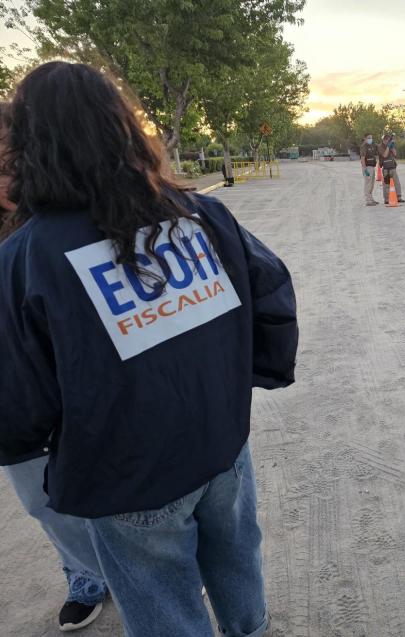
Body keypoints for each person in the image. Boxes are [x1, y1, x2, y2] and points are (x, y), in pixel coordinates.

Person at [0, 62, 298, 637]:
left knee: (165, 607)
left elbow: (19, 402)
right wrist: (241, 380)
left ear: (30, 146)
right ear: (121, 127)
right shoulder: (199, 213)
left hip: (127, 479)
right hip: (222, 445)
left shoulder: (26, 259)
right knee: (238, 561)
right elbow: (272, 297)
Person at [0, 100, 109, 632]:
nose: (4, 176)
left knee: (116, 484)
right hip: (11, 392)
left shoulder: (65, 215)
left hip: (76, 375)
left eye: (8, 162)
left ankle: (151, 560)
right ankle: (86, 571)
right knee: (40, 497)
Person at [378, 133, 405, 205]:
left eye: (388, 139)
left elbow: (395, 154)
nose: (387, 140)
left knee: (397, 183)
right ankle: (386, 199)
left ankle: (399, 197)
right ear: (383, 140)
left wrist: (392, 147)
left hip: (392, 167)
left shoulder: (390, 145)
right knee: (386, 184)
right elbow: (385, 155)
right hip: (386, 168)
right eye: (385, 139)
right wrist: (388, 147)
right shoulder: (380, 146)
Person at [359, 132, 379, 206]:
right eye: (369, 138)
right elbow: (362, 158)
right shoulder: (364, 146)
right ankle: (368, 200)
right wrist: (365, 169)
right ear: (365, 138)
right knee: (368, 183)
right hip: (367, 167)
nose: (371, 139)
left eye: (371, 138)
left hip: (372, 166)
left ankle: (371, 199)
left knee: (371, 184)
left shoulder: (370, 146)